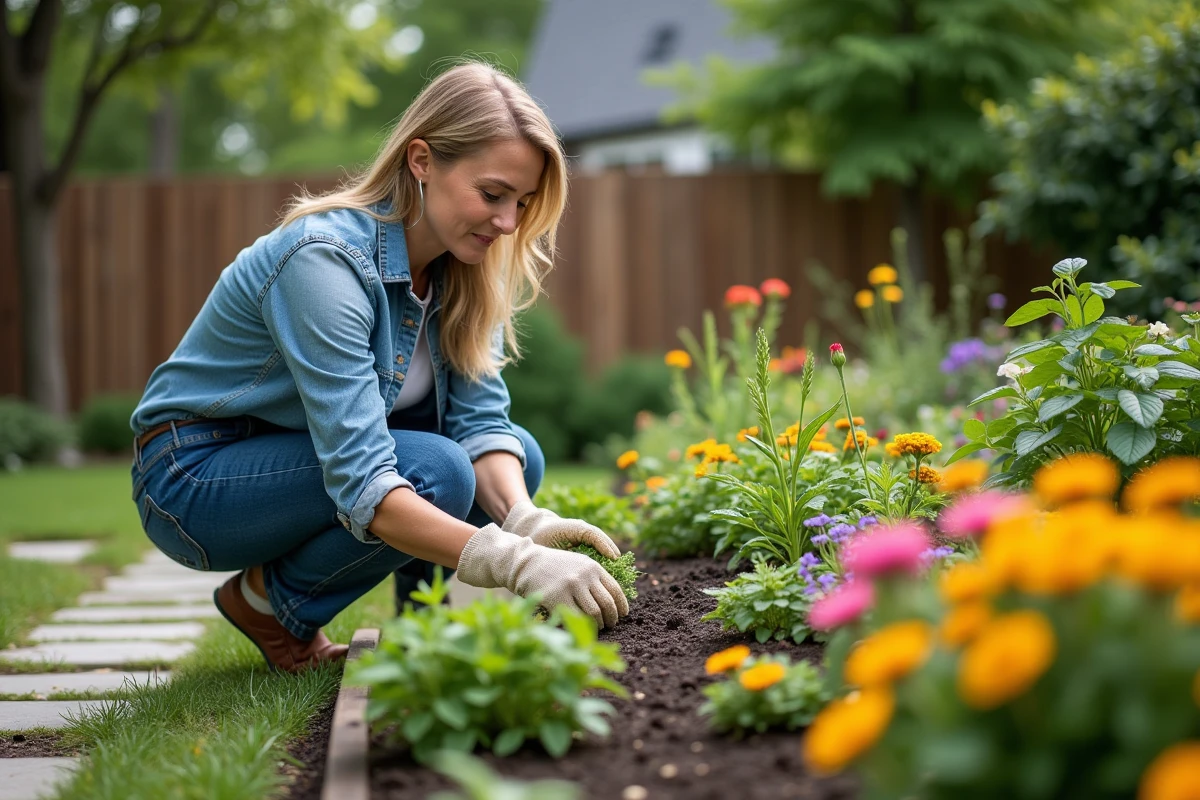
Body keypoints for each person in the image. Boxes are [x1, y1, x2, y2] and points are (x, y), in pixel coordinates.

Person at [128, 62, 630, 674]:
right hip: (193, 476)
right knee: (435, 469)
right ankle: (270, 604)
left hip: (291, 456)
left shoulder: (462, 269)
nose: (507, 224)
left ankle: (424, 636)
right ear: (422, 160)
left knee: (516, 455)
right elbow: (365, 479)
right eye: (492, 194)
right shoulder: (325, 263)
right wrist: (516, 562)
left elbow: (481, 421)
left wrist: (526, 520)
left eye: (522, 203)